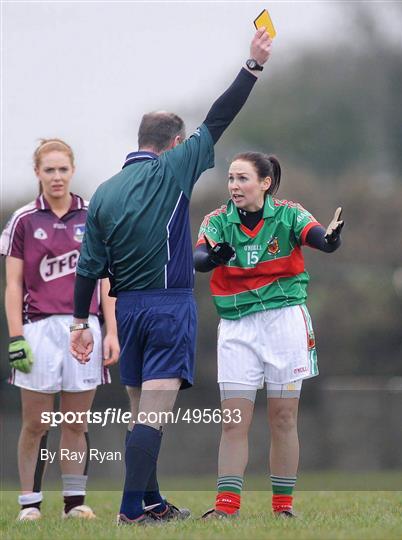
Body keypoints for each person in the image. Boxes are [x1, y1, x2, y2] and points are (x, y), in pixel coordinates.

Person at [69, 28, 272, 526]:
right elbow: (220, 117)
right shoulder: (173, 169)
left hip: (127, 310)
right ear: (175, 144)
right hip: (167, 307)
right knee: (153, 418)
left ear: (139, 141)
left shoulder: (104, 193)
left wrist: (80, 322)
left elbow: (88, 268)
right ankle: (130, 511)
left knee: (141, 413)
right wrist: (253, 65)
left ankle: (153, 502)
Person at [194, 152, 344, 519]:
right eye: (230, 178)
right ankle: (225, 508)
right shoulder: (217, 220)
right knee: (233, 420)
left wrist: (332, 238)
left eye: (242, 178)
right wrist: (212, 258)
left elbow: (319, 238)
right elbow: (198, 258)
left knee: (282, 418)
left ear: (265, 183)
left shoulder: (289, 213)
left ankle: (283, 508)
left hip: (284, 324)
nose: (234, 186)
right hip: (237, 326)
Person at [1, 139, 120, 522]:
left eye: (62, 169)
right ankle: (30, 505)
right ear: (38, 172)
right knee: (35, 423)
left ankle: (74, 503)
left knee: (75, 421)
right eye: (49, 170)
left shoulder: (93, 216)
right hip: (37, 329)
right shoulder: (23, 220)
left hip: (83, 328)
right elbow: (14, 285)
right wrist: (16, 336)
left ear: (72, 170)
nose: (56, 177)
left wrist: (112, 332)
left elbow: (106, 282)